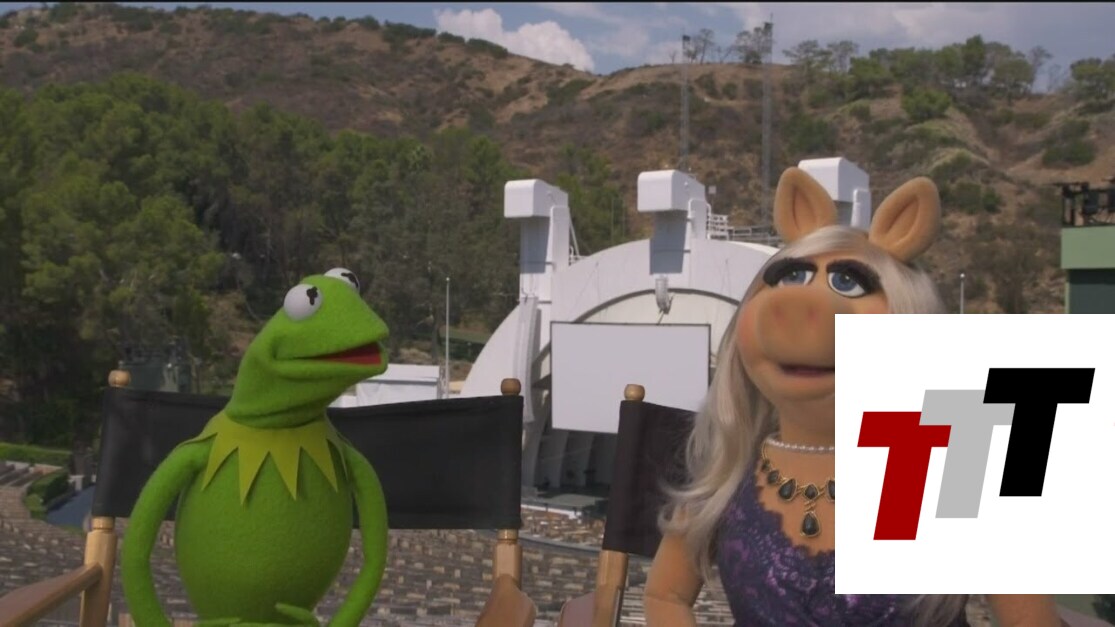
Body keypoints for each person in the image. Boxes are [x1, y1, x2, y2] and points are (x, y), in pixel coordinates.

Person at [643, 166, 1065, 627]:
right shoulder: (728, 475)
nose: (799, 308)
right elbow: (666, 594)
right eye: (789, 278)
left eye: (849, 283)